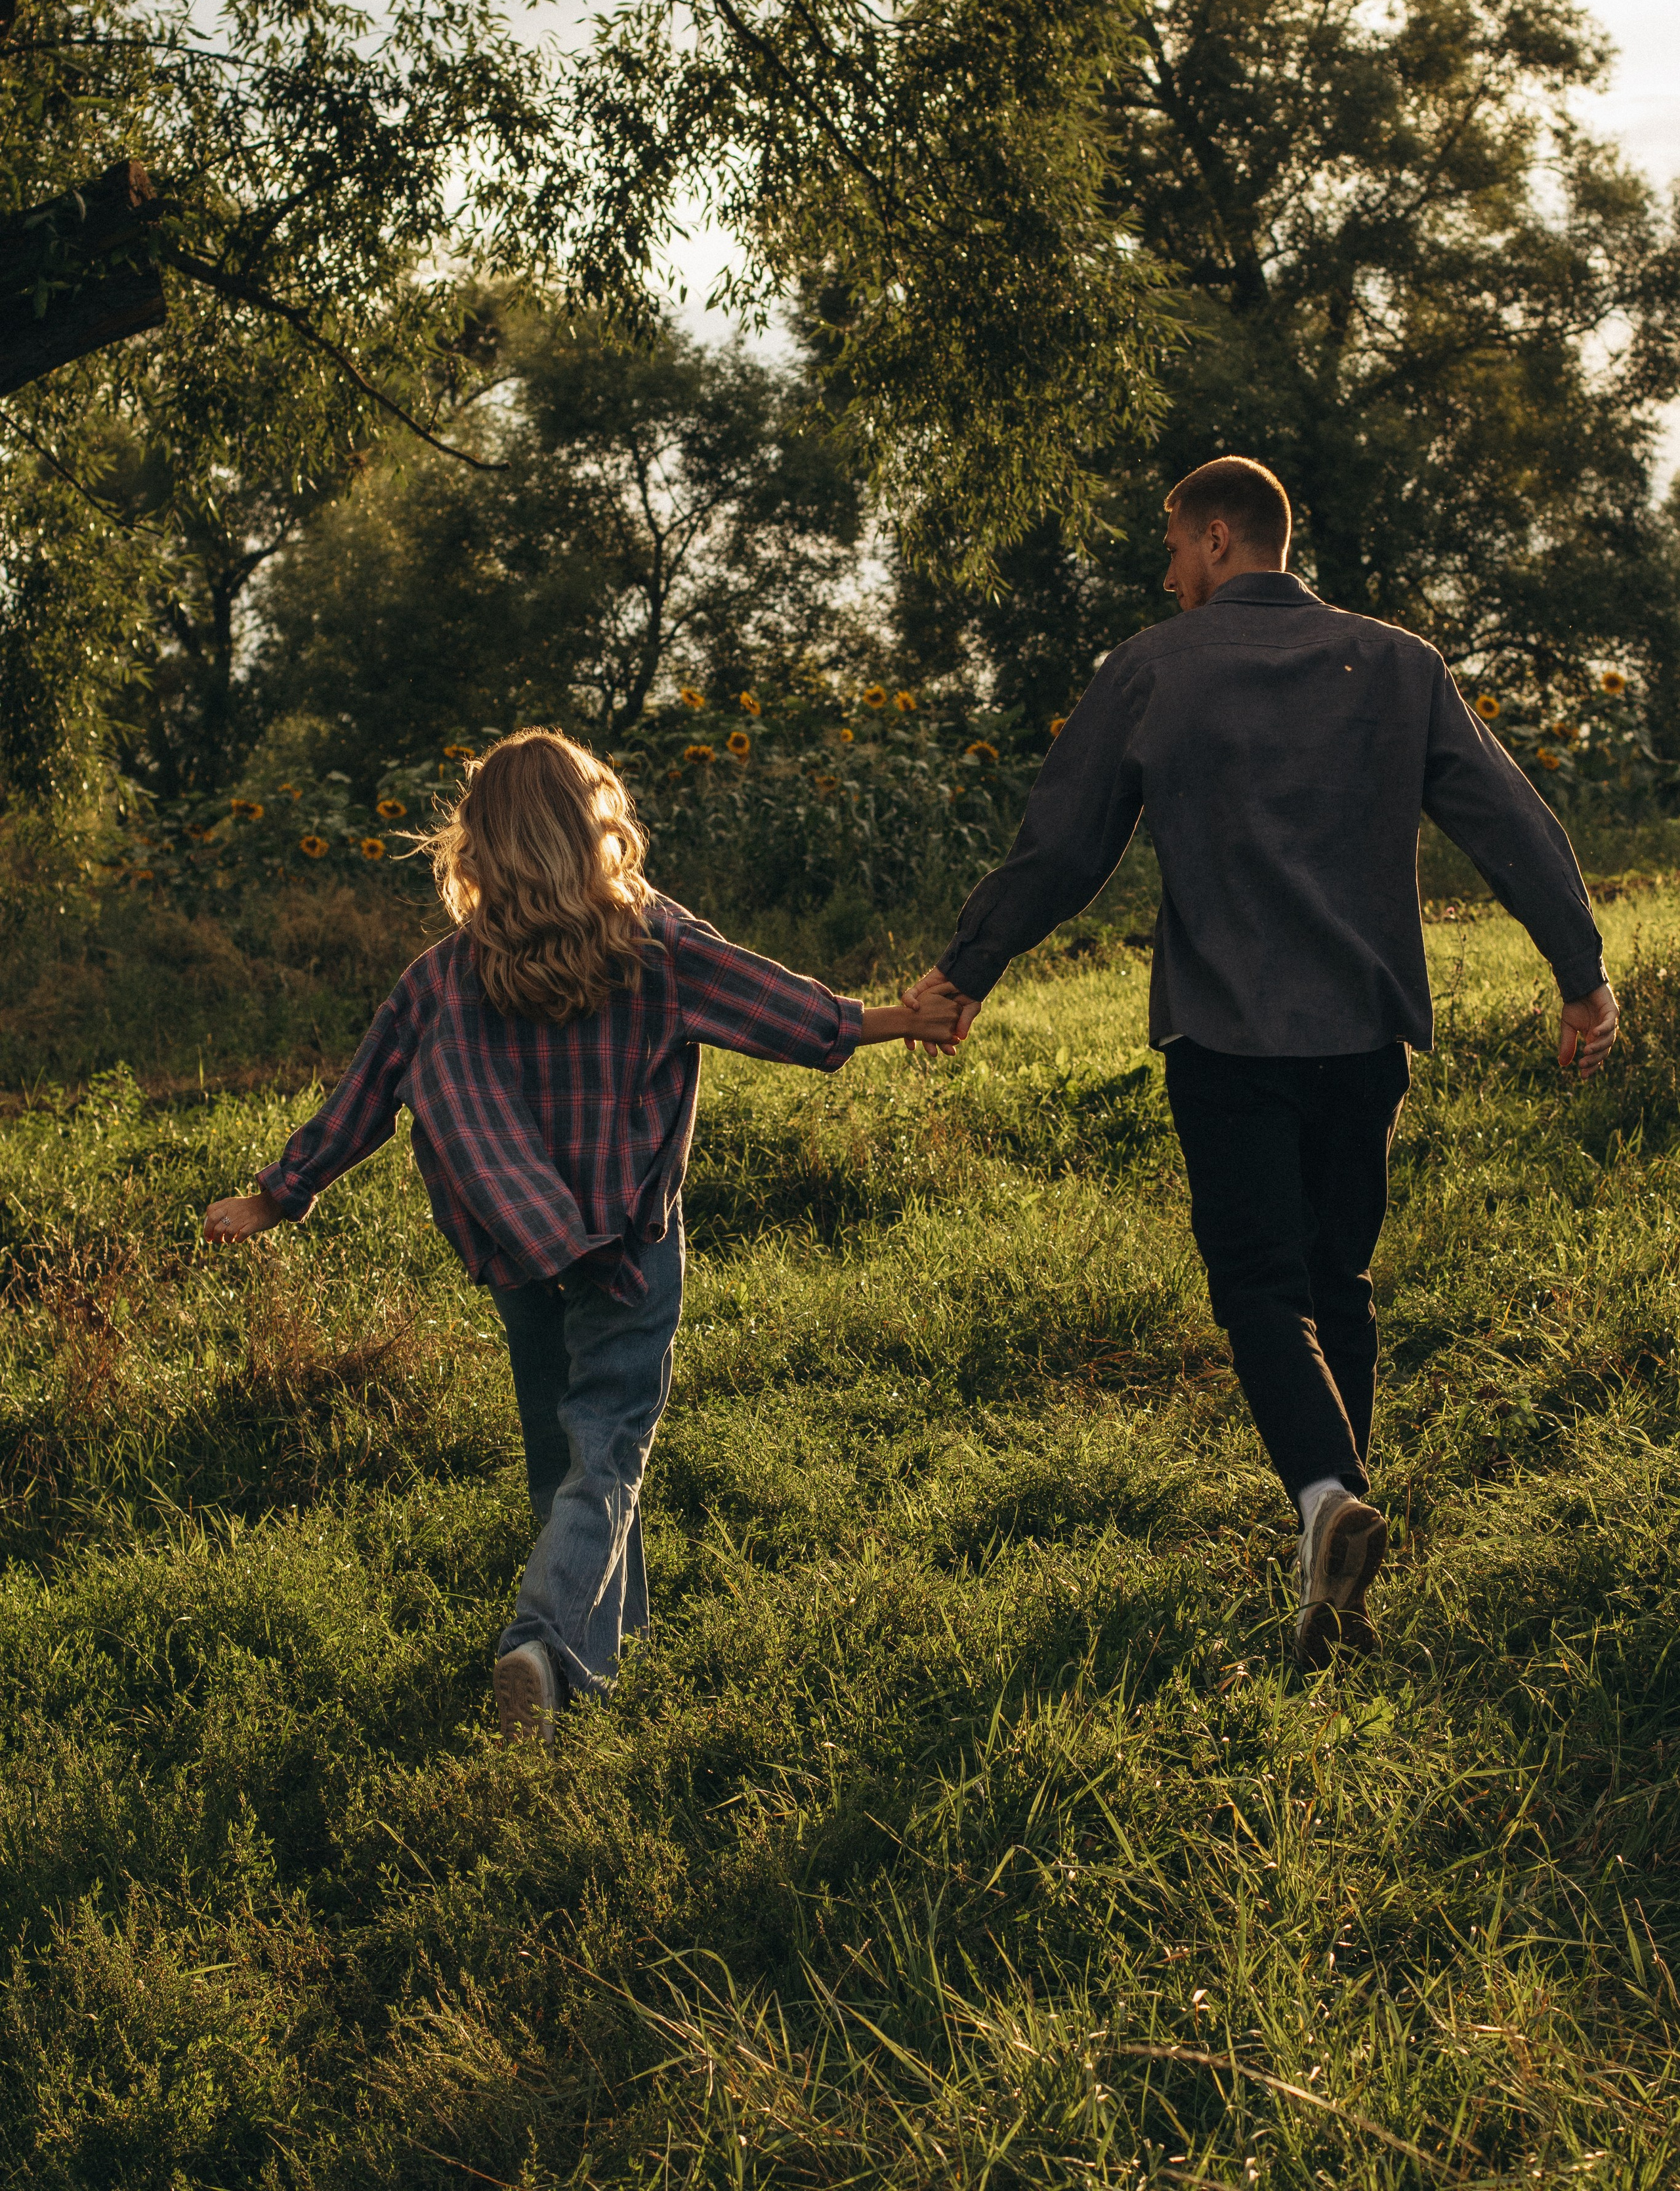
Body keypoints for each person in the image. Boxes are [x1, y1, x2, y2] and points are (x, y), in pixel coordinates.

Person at [903, 456, 1620, 1667]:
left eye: (1173, 547)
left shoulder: (1150, 670)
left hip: (1228, 1034)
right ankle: (1331, 1590)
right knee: (1339, 1281)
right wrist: (1583, 972)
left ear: (1222, 536)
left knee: (1259, 1291)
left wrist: (967, 968)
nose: (1167, 571)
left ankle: (1327, 1498)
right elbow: (1508, 824)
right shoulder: (1399, 665)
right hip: (1364, 1030)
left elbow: (1064, 848)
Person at [203, 727, 965, 1744]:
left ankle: (608, 1659)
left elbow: (366, 1094)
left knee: (556, 1456)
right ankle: (547, 1644)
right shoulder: (657, 945)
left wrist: (278, 1196)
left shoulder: (443, 976)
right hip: (627, 1246)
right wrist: (899, 1019)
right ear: (594, 826)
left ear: (477, 848)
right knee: (606, 1453)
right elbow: (787, 1013)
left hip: (513, 1244)